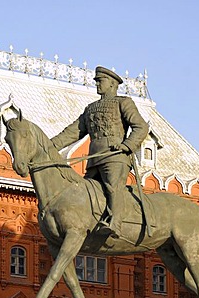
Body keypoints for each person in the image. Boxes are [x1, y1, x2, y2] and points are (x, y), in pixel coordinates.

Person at [51, 66, 149, 238]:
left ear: (112, 84)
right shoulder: (91, 108)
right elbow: (72, 133)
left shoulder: (123, 102)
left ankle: (114, 223)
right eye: (96, 81)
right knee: (86, 192)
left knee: (113, 187)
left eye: (100, 81)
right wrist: (49, 145)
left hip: (115, 156)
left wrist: (127, 145)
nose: (97, 84)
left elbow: (141, 127)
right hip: (94, 157)